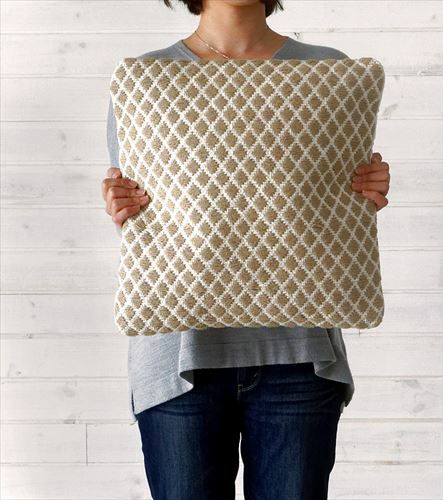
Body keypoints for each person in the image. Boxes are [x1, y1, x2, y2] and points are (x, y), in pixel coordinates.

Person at [101, 1, 391, 498]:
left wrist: (367, 191)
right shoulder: (146, 79)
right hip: (178, 363)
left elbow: (334, 203)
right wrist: (120, 203)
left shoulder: (328, 72)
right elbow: (147, 214)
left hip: (300, 358)